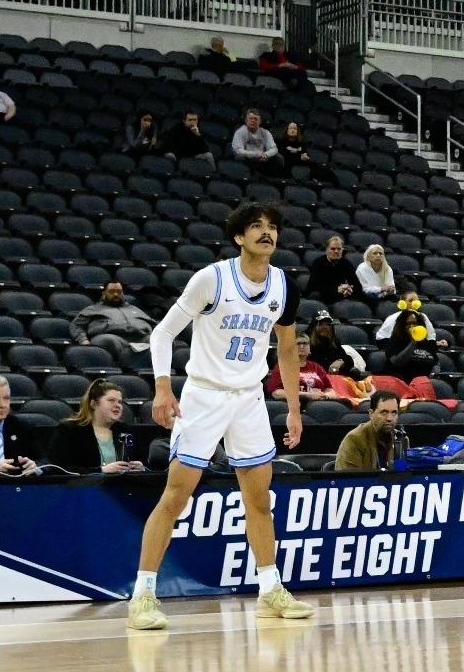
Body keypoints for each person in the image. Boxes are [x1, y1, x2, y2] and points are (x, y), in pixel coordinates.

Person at [128, 202, 313, 629]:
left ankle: (270, 589)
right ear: (238, 237)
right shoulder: (211, 278)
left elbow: (286, 348)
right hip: (205, 396)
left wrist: (293, 408)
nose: (267, 233)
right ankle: (142, 595)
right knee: (175, 497)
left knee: (259, 501)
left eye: (272, 227)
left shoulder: (284, 285)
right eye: (256, 227)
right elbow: (163, 332)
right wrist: (161, 386)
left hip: (248, 399)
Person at [44, 379, 146, 474]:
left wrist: (141, 468)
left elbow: (144, 463)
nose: (117, 405)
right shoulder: (68, 430)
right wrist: (100, 470)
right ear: (93, 404)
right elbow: (58, 469)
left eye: (119, 402)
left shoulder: (125, 430)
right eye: (111, 400)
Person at [70, 279, 157, 363]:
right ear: (104, 293)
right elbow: (76, 325)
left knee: (161, 340)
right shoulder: (93, 309)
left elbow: (154, 324)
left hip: (141, 338)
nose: (116, 294)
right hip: (114, 339)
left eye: (119, 291)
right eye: (111, 291)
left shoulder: (134, 308)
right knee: (108, 340)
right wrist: (84, 341)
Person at [373, 309, 439, 403]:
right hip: (400, 387)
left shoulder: (425, 342)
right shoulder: (395, 341)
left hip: (422, 386)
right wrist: (413, 342)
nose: (412, 326)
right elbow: (397, 362)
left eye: (415, 323)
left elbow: (436, 361)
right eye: (408, 323)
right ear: (402, 325)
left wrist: (434, 372)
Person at [0, 374, 37, 477]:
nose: (2, 404)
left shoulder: (20, 426)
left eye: (6, 398)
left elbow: (45, 460)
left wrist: (35, 466)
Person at [334, 391, 402, 472]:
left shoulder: (400, 439)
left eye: (394, 413)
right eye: (384, 412)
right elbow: (347, 481)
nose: (389, 418)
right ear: (371, 414)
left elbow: (404, 474)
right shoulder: (354, 439)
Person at [265, 336, 336, 403]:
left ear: (310, 350)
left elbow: (330, 390)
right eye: (298, 344)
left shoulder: (317, 367)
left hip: (320, 403)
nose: (302, 346)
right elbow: (276, 393)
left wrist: (325, 396)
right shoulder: (282, 367)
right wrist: (307, 395)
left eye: (305, 343)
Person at [308, 313, 366, 379]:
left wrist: (340, 361)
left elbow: (348, 360)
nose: (325, 327)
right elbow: (313, 364)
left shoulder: (333, 342)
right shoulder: (307, 343)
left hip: (336, 378)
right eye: (320, 324)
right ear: (314, 326)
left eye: (328, 324)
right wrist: (332, 366)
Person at [304, 235, 359, 304]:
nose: (336, 251)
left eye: (339, 249)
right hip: (322, 296)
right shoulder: (318, 262)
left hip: (340, 295)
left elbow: (356, 283)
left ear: (342, 250)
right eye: (333, 249)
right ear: (327, 250)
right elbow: (313, 286)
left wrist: (349, 288)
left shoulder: (346, 263)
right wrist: (336, 289)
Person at [230, 109, 282, 177]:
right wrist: (255, 154)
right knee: (240, 157)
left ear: (260, 121)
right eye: (250, 118)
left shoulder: (265, 132)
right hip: (247, 158)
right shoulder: (240, 132)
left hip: (262, 159)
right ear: (246, 120)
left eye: (256, 119)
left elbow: (274, 148)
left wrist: (266, 154)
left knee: (278, 158)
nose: (253, 121)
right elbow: (238, 150)